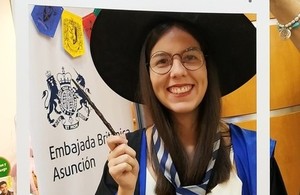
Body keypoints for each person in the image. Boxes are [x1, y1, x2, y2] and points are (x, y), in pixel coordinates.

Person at [90, 10, 287, 195]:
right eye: (162, 61)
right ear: (147, 76)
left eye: (190, 57)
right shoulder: (126, 157)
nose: (177, 71)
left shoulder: (255, 154)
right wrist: (125, 190)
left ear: (208, 68)